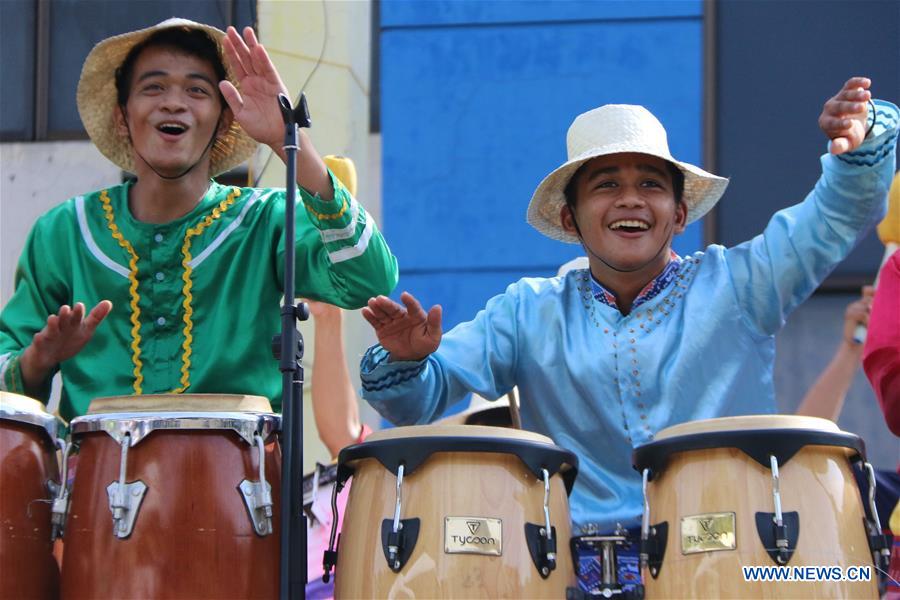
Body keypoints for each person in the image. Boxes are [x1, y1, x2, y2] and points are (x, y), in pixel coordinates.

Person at [357, 79, 898, 590]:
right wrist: (406, 361)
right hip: (569, 572)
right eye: (607, 184)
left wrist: (858, 141)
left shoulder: (740, 285)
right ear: (570, 220)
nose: (631, 199)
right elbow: (418, 402)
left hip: (734, 562)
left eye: (651, 185)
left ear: (680, 213)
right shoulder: (526, 311)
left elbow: (839, 214)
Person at [0, 19, 397, 419]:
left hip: (242, 480)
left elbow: (370, 280)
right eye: (153, 87)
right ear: (122, 116)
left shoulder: (266, 219)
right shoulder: (66, 231)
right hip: (90, 478)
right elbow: (6, 370)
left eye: (197, 90)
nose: (174, 103)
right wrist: (38, 358)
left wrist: (287, 138)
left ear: (224, 121)